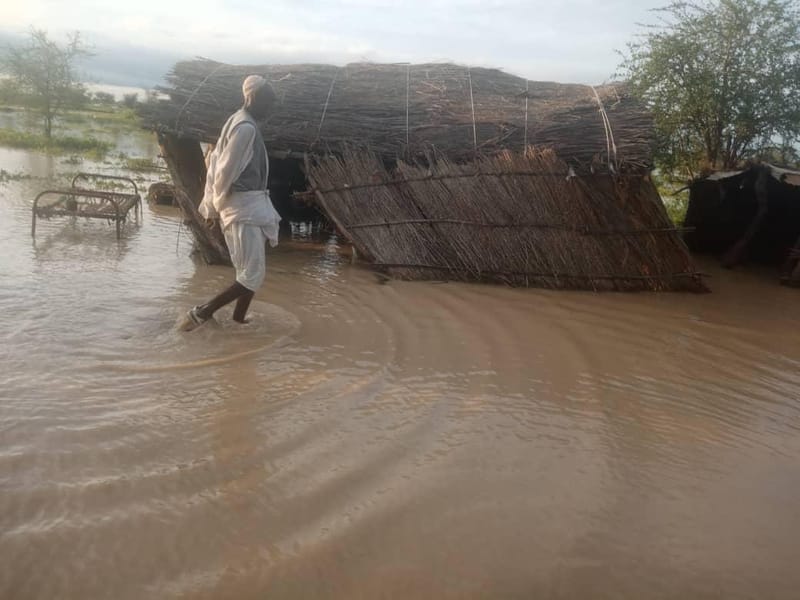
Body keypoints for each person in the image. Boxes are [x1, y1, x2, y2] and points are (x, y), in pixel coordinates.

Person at [180, 75, 281, 331]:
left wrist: (213, 206)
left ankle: (237, 319)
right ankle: (202, 313)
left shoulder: (238, 121)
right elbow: (223, 171)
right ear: (253, 97)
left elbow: (214, 163)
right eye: (268, 102)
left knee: (249, 271)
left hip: (246, 208)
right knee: (253, 274)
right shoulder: (245, 128)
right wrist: (215, 207)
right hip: (243, 209)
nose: (271, 108)